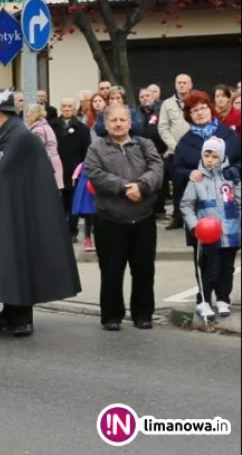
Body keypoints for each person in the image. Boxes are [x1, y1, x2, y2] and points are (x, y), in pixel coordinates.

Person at [0, 89, 81, 337]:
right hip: (10, 208)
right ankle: (8, 313)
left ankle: (23, 317)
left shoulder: (19, 136)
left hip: (22, 212)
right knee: (6, 262)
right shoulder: (9, 133)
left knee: (19, 262)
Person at [84, 103, 164, 331]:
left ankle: (143, 314)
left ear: (130, 122)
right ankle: (111, 315)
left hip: (143, 219)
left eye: (122, 120)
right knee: (111, 271)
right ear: (106, 124)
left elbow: (157, 168)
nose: (118, 124)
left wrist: (141, 186)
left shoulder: (144, 144)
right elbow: (95, 173)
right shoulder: (96, 149)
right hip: (110, 221)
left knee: (144, 270)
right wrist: (124, 188)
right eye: (113, 120)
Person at [172, 90, 242, 312]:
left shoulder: (228, 135)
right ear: (188, 115)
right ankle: (203, 299)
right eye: (194, 111)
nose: (199, 113)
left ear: (210, 108)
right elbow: (175, 170)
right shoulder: (185, 142)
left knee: (227, 261)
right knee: (205, 260)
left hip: (228, 210)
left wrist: (235, 170)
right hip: (202, 212)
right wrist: (188, 173)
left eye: (202, 108)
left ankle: (224, 298)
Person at [180, 137, 240, 321]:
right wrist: (195, 226)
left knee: (227, 269)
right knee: (211, 268)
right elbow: (186, 205)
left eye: (215, 156)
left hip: (230, 233)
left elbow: (239, 203)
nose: (210, 159)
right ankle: (203, 300)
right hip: (209, 235)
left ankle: (223, 298)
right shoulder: (197, 178)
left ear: (222, 157)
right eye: (207, 155)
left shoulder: (231, 177)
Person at [52, 97, 91, 242]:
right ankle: (60, 231)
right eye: (64, 106)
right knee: (59, 203)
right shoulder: (52, 126)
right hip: (57, 171)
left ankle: (72, 231)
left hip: (75, 171)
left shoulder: (82, 129)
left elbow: (86, 152)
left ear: (74, 109)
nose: (67, 109)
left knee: (73, 202)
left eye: (70, 106)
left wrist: (83, 169)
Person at [159, 74, 193, 230]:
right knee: (178, 187)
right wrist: (175, 146)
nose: (182, 85)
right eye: (179, 83)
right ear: (175, 85)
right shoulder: (167, 104)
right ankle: (178, 218)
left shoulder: (197, 101)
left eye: (185, 83)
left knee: (195, 185)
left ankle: (194, 218)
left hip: (194, 151)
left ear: (190, 85)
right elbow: (163, 127)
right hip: (175, 153)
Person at [138, 87, 169, 216]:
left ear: (153, 97)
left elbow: (167, 128)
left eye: (147, 96)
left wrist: (168, 147)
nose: (145, 98)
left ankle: (160, 210)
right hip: (141, 153)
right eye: (142, 97)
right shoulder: (136, 112)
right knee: (145, 181)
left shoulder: (161, 111)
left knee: (160, 182)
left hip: (160, 151)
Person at [26, 103, 63, 192]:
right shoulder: (45, 126)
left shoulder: (38, 130)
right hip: (53, 163)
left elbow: (35, 149)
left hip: (46, 166)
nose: (26, 119)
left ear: (33, 116)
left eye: (28, 116)